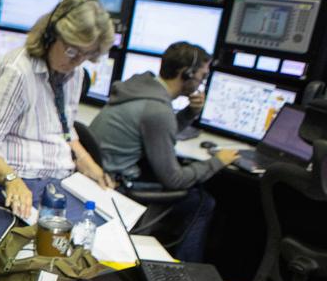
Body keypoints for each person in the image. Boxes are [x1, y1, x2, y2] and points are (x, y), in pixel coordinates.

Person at [0, 0, 115, 221]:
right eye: (72, 51)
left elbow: (64, 128)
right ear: (50, 36)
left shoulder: (74, 75)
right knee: (72, 240)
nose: (77, 61)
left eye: (87, 55)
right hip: (9, 179)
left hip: (54, 180)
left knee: (108, 222)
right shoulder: (17, 71)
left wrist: (88, 163)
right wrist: (11, 180)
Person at [87, 42, 236, 261]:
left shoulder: (139, 88)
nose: (202, 83)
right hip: (117, 188)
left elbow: (156, 135)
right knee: (202, 201)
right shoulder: (157, 110)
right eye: (202, 77)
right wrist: (217, 162)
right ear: (186, 74)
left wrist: (189, 113)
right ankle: (187, 271)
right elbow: (174, 179)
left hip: (98, 176)